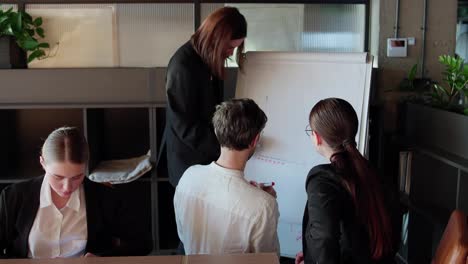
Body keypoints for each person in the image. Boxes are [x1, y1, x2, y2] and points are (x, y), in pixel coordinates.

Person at [0, 127, 150, 258]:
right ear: (42, 163)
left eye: (77, 177)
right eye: (58, 177)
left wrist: (103, 259)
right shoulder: (13, 197)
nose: (67, 187)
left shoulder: (105, 198)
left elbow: (142, 243)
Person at [174, 98, 279, 255]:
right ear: (255, 140)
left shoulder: (188, 176)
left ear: (217, 132)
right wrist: (263, 201)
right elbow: (269, 260)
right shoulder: (264, 206)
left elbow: (183, 236)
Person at [295, 98, 394, 264]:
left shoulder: (322, 180)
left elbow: (325, 238)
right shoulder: (376, 174)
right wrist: (311, 254)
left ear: (317, 137)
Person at [165, 6, 247, 187]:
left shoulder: (209, 58)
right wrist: (225, 149)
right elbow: (184, 126)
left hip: (208, 156)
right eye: (229, 47)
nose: (231, 53)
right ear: (216, 39)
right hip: (188, 162)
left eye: (236, 47)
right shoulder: (183, 66)